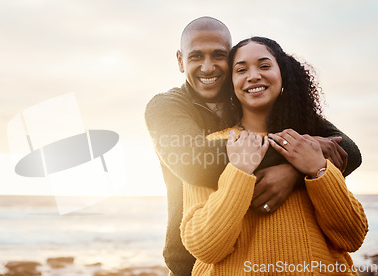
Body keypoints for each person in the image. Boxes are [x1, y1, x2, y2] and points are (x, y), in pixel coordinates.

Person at [144, 17, 362, 276]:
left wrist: (300, 167)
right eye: (195, 57)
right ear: (180, 60)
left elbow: (346, 148)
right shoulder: (168, 106)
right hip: (189, 264)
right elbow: (194, 162)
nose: (207, 66)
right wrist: (295, 156)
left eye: (218, 55)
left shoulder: (261, 98)